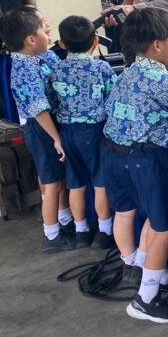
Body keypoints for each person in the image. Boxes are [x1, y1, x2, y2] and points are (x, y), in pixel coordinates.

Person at [103, 8, 168, 324]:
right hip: (146, 159)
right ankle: (146, 299)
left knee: (150, 216)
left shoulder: (129, 71)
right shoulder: (160, 78)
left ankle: (153, 273)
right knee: (166, 228)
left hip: (115, 156)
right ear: (159, 44)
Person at [0, 8, 68, 252]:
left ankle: (63, 219)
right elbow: (39, 109)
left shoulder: (39, 57)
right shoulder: (25, 69)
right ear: (30, 39)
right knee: (52, 183)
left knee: (53, 179)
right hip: (42, 130)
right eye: (43, 28)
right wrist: (56, 138)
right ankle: (51, 236)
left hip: (46, 128)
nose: (48, 30)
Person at [51, 16, 116, 249]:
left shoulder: (56, 69)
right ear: (96, 40)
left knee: (75, 184)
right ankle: (105, 232)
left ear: (62, 44)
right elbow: (112, 99)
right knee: (100, 183)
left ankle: (80, 231)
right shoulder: (101, 67)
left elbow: (51, 100)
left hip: (67, 132)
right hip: (96, 131)